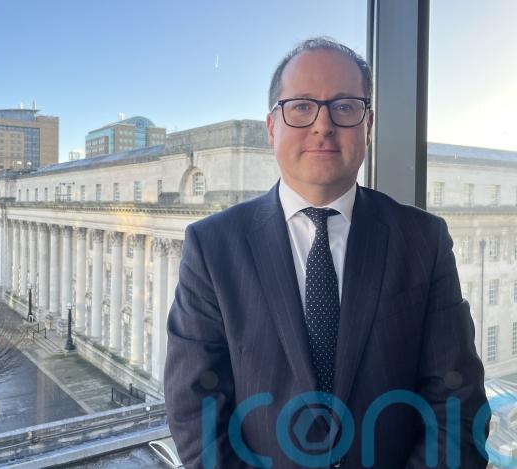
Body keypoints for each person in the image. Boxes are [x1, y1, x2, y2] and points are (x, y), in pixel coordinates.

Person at [164, 37, 488, 469]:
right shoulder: (212, 246)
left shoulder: (423, 240)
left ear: (368, 126)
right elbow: (195, 411)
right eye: (301, 106)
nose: (323, 125)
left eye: (345, 106)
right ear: (271, 127)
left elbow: (457, 403)